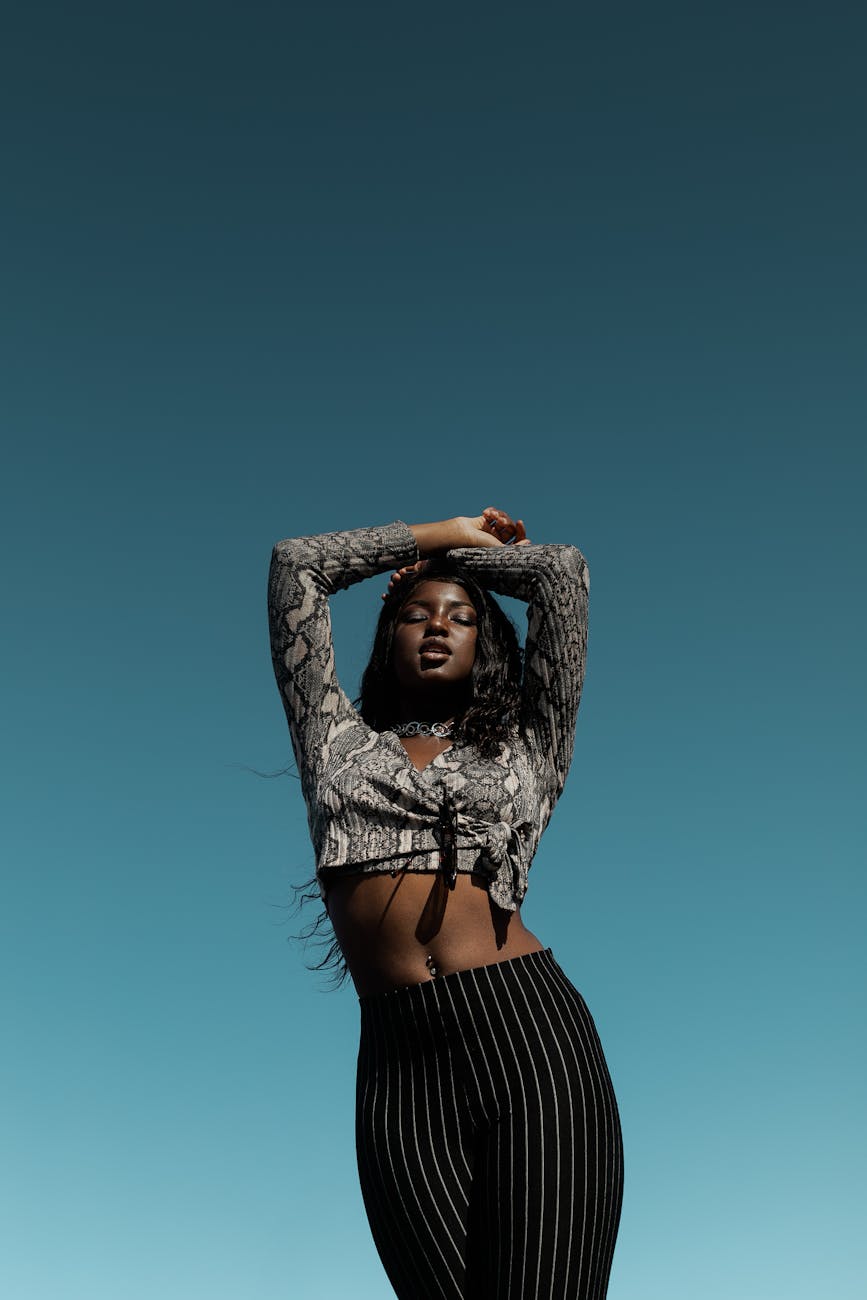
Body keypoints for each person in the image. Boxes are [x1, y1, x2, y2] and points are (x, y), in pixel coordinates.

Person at [266, 507, 624, 1300]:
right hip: (397, 1066)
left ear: (485, 642)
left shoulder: (531, 741)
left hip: (528, 1036)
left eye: (460, 618)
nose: (438, 626)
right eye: (415, 614)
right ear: (386, 637)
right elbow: (297, 565)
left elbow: (562, 576)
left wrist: (472, 560)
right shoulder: (333, 739)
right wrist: (437, 533)